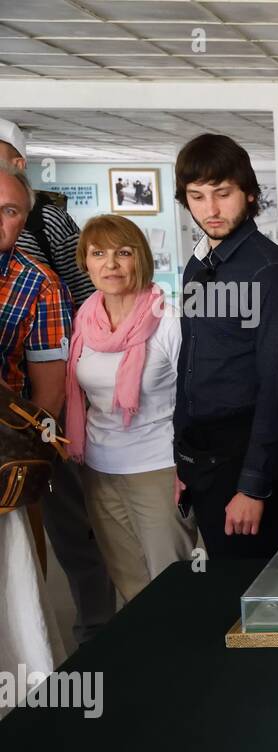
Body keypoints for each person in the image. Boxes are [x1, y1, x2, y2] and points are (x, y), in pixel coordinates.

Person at [1, 117, 116, 642]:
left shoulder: (48, 230)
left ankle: (96, 626)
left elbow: (88, 300)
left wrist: (45, 431)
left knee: (67, 516)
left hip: (36, 407)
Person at [173, 133, 278, 560]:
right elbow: (189, 363)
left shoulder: (272, 273)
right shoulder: (198, 266)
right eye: (196, 196)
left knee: (253, 600)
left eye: (222, 194)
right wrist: (183, 460)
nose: (210, 210)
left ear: (249, 194)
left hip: (246, 455)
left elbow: (277, 386)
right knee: (219, 592)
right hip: (202, 456)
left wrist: (253, 484)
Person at [64, 215, 196, 601]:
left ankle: (183, 660)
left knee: (173, 585)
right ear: (84, 261)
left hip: (159, 468)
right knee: (129, 585)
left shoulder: (169, 320)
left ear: (140, 259)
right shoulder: (83, 321)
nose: (111, 264)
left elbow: (195, 398)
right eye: (98, 253)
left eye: (123, 253)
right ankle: (146, 660)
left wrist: (189, 467)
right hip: (100, 468)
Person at [0, 158, 72, 664]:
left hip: (0, 459)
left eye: (10, 211)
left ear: (24, 220)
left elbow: (49, 393)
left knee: (13, 595)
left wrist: (26, 458)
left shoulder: (38, 282)